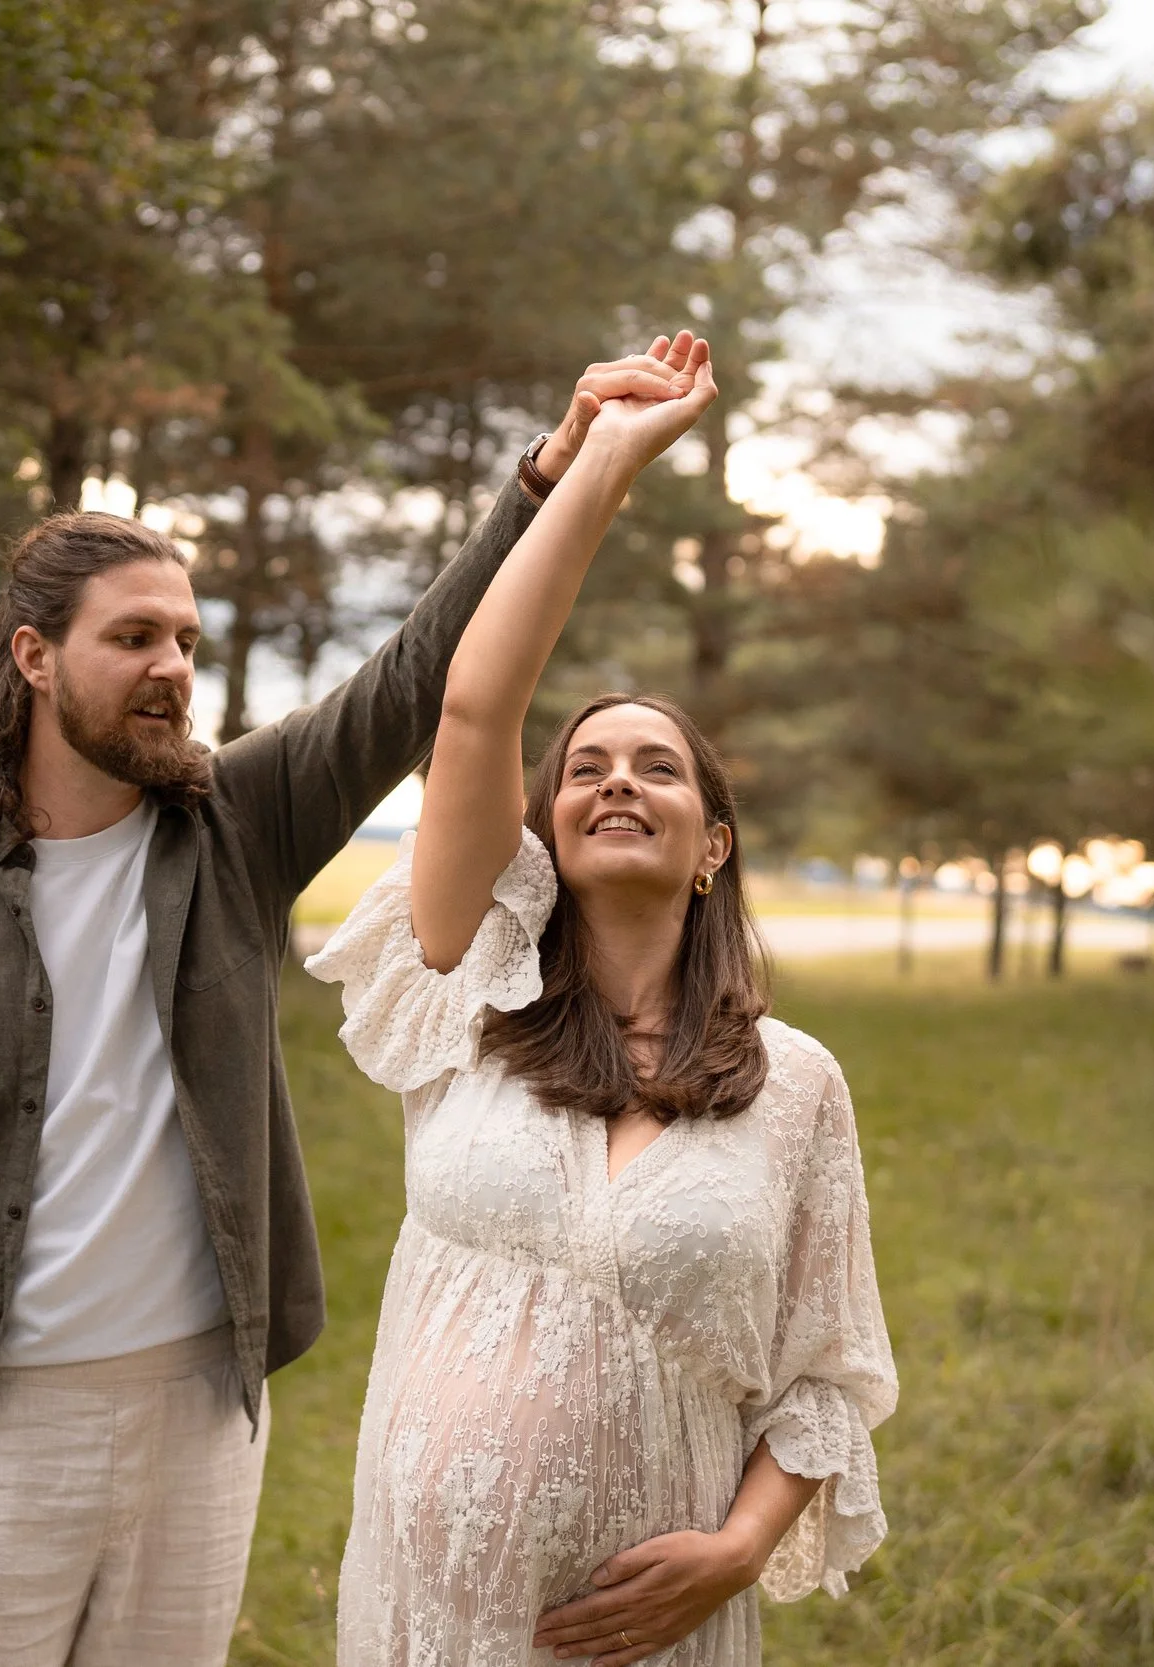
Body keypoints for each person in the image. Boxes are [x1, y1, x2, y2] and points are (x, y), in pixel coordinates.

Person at [0, 346, 709, 1667]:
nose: (173, 666)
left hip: (197, 1418)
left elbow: (415, 681)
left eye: (186, 639)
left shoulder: (237, 825)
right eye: (135, 637)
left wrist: (551, 470)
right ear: (34, 657)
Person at [303, 329, 900, 1666]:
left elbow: (823, 1374)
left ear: (714, 845)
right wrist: (604, 469)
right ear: (549, 826)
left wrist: (742, 1549)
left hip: (650, 1642)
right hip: (429, 1620)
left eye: (659, 768)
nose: (617, 779)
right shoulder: (470, 994)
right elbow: (472, 706)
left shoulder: (795, 1084)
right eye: (585, 766)